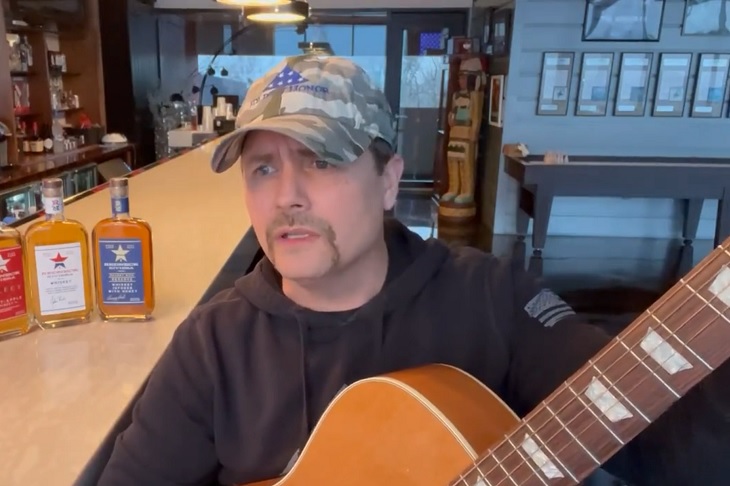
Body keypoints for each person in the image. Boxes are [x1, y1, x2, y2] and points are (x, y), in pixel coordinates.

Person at [99, 55, 730, 486]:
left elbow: (666, 441)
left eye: (321, 161)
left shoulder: (491, 300)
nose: (286, 195)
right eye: (263, 168)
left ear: (388, 181)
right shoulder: (213, 345)